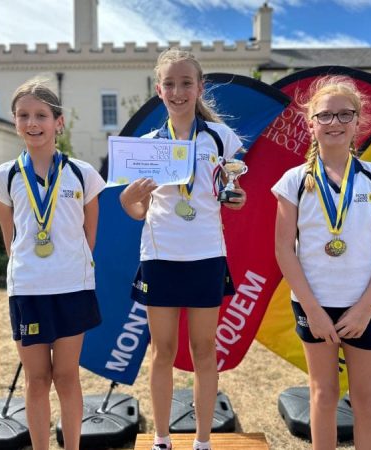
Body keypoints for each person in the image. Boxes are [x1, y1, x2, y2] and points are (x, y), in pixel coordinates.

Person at [119, 48, 246, 450]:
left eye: (185, 83)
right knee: (162, 351)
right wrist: (131, 198)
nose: (178, 91)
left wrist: (236, 197)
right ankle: (161, 438)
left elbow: (232, 189)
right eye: (170, 84)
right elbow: (136, 212)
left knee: (204, 349)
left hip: (207, 255)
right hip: (160, 257)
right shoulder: (149, 145)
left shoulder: (220, 137)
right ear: (159, 91)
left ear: (199, 87)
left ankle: (204, 441)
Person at [273, 75, 371, 450]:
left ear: (359, 121)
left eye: (345, 115)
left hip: (366, 305)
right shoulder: (293, 181)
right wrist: (314, 310)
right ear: (310, 124)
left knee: (369, 403)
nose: (335, 123)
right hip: (315, 305)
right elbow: (283, 250)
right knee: (323, 396)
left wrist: (364, 308)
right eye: (325, 116)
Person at [0, 79, 106, 450]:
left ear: (58, 122)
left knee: (67, 377)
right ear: (14, 121)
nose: (32, 122)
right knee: (36, 380)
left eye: (41, 115)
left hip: (73, 288)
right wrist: (31, 267)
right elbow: (10, 237)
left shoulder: (83, 174)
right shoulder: (5, 176)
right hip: (29, 291)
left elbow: (89, 234)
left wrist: (67, 264)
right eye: (23, 115)